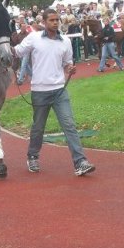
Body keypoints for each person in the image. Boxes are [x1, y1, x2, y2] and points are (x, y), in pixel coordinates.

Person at [12, 9, 96, 176]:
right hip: (39, 91)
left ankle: (80, 162)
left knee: (69, 125)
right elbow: (17, 51)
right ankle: (33, 155)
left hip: (59, 90)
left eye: (57, 19)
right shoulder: (33, 38)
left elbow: (67, 63)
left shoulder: (65, 41)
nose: (55, 22)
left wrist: (70, 68)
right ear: (44, 22)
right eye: (51, 20)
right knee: (38, 128)